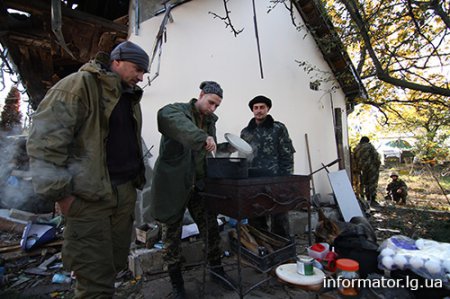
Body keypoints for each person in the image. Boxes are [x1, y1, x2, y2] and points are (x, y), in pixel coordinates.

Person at [27, 41, 149, 298]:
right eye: (137, 69)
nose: (141, 77)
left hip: (122, 194)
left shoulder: (127, 94)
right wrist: (61, 195)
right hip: (88, 199)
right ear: (117, 61)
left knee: (113, 266)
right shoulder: (79, 85)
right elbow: (45, 142)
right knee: (93, 279)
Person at [146, 81, 230, 298]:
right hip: (173, 185)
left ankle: (217, 272)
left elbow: (207, 150)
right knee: (171, 236)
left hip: (199, 185)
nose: (212, 108)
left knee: (211, 228)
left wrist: (225, 150)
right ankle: (177, 285)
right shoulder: (175, 111)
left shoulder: (210, 121)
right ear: (201, 95)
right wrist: (203, 138)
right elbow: (173, 123)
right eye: (211, 102)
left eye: (216, 106)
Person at [240, 95, 296, 238]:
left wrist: (286, 178)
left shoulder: (278, 128)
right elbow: (242, 156)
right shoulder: (246, 132)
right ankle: (262, 247)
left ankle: (282, 248)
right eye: (255, 108)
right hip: (253, 181)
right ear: (252, 110)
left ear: (268, 109)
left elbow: (287, 154)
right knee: (256, 215)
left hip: (275, 179)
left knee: (279, 215)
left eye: (262, 107)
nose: (258, 111)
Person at [353, 136, 381, 207]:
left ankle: (363, 198)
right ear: (367, 141)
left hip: (361, 169)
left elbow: (353, 158)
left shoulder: (356, 148)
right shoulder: (370, 146)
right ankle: (372, 199)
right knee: (372, 183)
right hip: (371, 167)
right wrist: (377, 165)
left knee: (363, 183)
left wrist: (357, 168)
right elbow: (376, 156)